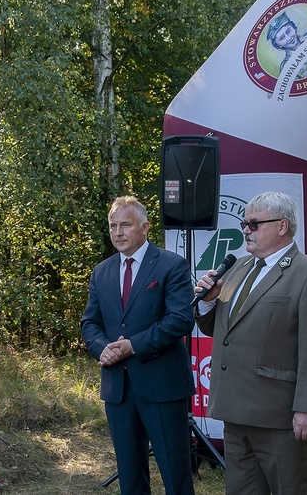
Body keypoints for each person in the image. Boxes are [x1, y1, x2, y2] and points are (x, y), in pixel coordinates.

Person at [193, 191, 307, 494]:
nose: (246, 229)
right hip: (235, 411)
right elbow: (219, 329)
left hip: (279, 417)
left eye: (254, 223)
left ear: (282, 226)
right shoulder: (237, 267)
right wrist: (207, 302)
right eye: (245, 223)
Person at [81, 196, 196, 494]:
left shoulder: (172, 265)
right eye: (113, 226)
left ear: (145, 227)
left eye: (126, 225)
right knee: (130, 479)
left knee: (175, 474)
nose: (118, 232)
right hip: (118, 390)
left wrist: (134, 345)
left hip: (162, 386)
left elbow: (181, 320)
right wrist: (101, 347)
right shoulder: (101, 272)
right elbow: (90, 323)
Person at [266, 12, 307, 80]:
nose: (289, 38)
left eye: (288, 31)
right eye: (282, 38)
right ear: (278, 45)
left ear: (294, 28)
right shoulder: (286, 67)